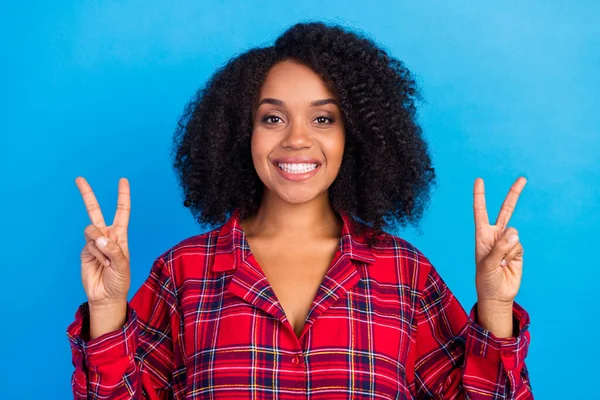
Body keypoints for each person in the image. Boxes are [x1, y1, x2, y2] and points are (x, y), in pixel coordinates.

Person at [67, 21, 533, 399]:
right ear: (239, 133)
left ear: (355, 135)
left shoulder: (404, 272)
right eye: (272, 118)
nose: (296, 139)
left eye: (323, 118)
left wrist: (496, 307)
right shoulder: (183, 272)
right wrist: (107, 309)